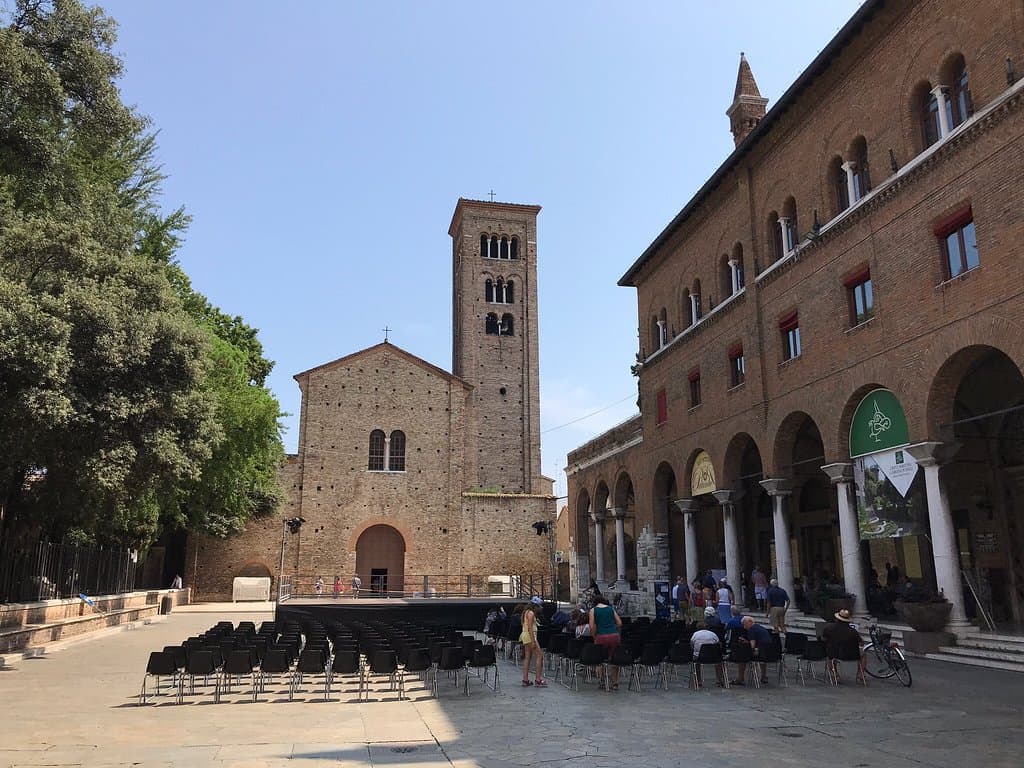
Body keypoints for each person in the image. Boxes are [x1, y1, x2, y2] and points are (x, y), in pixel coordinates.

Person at [588, 593, 623, 689]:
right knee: (614, 659)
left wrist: (594, 636)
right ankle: (615, 682)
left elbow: (591, 627)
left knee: (600, 659)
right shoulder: (610, 609)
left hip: (601, 636)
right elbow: (619, 623)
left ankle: (602, 680)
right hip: (614, 635)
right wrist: (612, 628)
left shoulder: (593, 610)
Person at [821, 608, 863, 683]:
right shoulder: (853, 631)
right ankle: (861, 674)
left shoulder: (829, 628)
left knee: (829, 655)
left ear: (837, 619)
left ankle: (835, 675)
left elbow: (824, 639)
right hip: (853, 655)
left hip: (835, 653)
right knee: (863, 654)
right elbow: (861, 642)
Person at [733, 616, 774, 685]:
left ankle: (740, 678)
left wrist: (745, 643)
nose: (744, 627)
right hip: (769, 652)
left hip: (760, 653)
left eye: (744, 624)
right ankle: (764, 676)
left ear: (750, 622)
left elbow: (752, 646)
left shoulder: (751, 629)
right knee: (762, 658)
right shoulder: (760, 627)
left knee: (742, 657)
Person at [520, 596, 548, 686]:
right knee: (539, 655)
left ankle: (525, 679)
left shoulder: (526, 612)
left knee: (527, 657)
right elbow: (530, 629)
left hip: (524, 635)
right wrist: (533, 641)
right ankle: (538, 679)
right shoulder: (531, 614)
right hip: (530, 636)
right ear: (535, 606)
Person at [690, 621, 724, 686]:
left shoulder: (695, 634)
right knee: (719, 661)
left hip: (700, 657)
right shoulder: (713, 634)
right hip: (714, 656)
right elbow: (719, 644)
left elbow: (692, 645)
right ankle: (719, 679)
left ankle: (698, 680)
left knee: (696, 662)